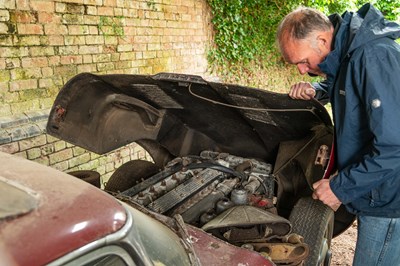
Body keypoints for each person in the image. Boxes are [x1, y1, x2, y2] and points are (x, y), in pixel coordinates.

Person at [277, 3, 400, 266]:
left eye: (301, 61)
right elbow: (348, 83)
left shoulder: (374, 56)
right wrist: (317, 90)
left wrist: (340, 187)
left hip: (389, 199)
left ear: (322, 39)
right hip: (377, 189)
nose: (301, 70)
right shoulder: (349, 54)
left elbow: (396, 146)